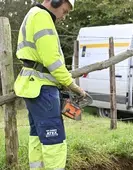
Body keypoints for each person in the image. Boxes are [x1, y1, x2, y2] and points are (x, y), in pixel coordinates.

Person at [14, 0, 85, 169]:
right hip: (43, 87)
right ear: (56, 1)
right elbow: (51, 60)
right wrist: (71, 84)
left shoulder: (33, 14)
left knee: (37, 135)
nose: (64, 16)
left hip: (33, 86)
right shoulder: (43, 17)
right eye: (65, 10)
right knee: (54, 140)